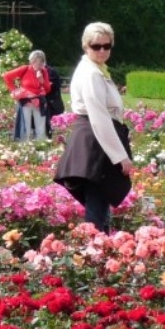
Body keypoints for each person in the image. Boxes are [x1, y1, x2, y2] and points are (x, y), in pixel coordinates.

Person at [54, 22, 134, 233]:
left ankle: (99, 246)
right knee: (97, 205)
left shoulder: (97, 70)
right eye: (96, 46)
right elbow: (99, 117)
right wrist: (120, 156)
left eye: (107, 46)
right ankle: (94, 248)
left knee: (100, 203)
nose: (102, 51)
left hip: (96, 140)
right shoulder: (91, 73)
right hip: (95, 142)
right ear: (85, 46)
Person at [2, 50, 52, 141]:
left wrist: (41, 80)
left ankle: (41, 144)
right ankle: (25, 145)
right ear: (32, 61)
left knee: (41, 127)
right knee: (25, 126)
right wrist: (14, 91)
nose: (40, 65)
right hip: (26, 102)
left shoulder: (44, 71)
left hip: (39, 102)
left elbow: (48, 89)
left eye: (42, 62)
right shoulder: (25, 69)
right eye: (37, 62)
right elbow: (7, 76)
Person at [44, 61, 65, 138]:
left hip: (53, 104)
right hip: (47, 103)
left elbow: (50, 88)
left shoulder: (50, 71)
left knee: (54, 126)